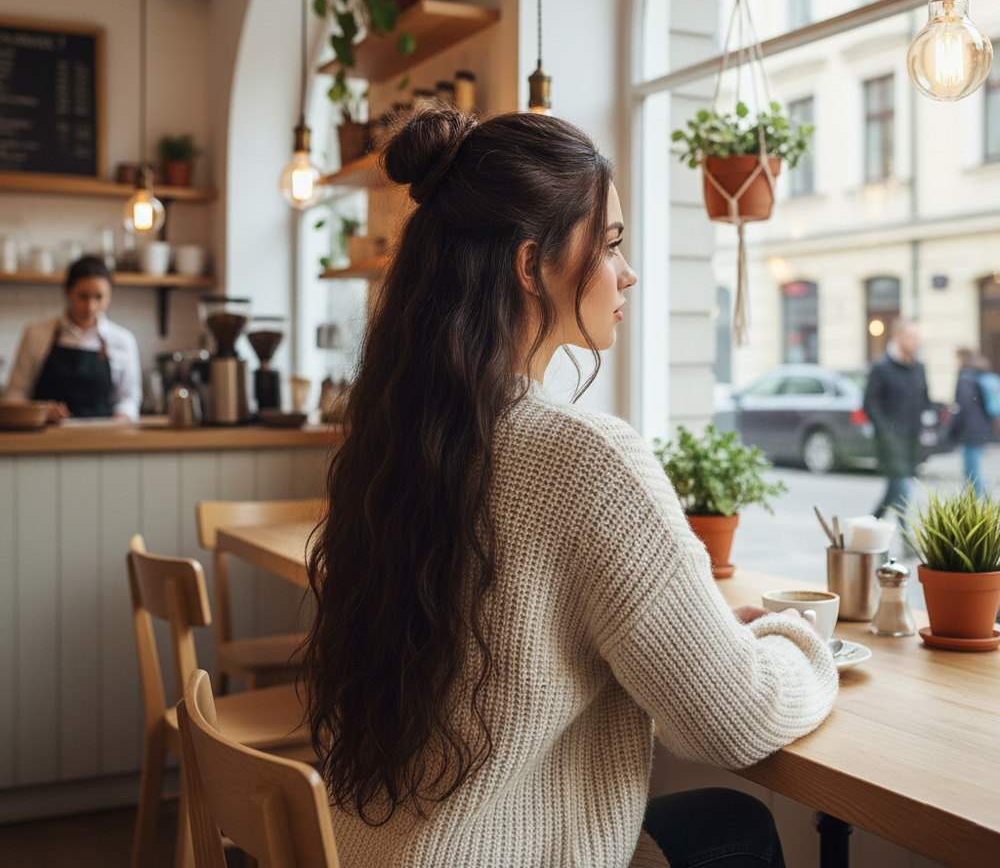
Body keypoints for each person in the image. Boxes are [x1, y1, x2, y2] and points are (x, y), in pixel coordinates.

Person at [302, 107, 838, 868]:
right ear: (530, 266)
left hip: (378, 850)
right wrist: (796, 639)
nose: (629, 271)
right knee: (732, 827)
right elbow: (734, 719)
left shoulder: (398, 438)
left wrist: (709, 636)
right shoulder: (586, 459)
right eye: (611, 243)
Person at [4, 254, 142, 421]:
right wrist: (42, 411)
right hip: (45, 440)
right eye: (83, 296)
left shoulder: (123, 340)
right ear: (67, 291)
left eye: (99, 297)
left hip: (103, 439)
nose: (90, 307)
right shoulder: (36, 334)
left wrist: (121, 417)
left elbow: (128, 399)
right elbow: (15, 395)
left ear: (110, 296)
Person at [863, 317, 930, 524]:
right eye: (910, 337)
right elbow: (869, 403)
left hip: (911, 440)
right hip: (890, 441)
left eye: (916, 337)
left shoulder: (919, 368)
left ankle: (870, 525)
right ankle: (907, 538)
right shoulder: (881, 367)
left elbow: (924, 400)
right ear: (897, 337)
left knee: (893, 490)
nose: (915, 342)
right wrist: (885, 432)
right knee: (902, 487)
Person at [951, 348, 995, 497]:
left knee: (971, 474)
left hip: (970, 430)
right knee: (973, 471)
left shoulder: (965, 377)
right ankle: (979, 504)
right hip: (981, 427)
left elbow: (963, 406)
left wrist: (953, 429)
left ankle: (980, 506)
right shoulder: (979, 374)